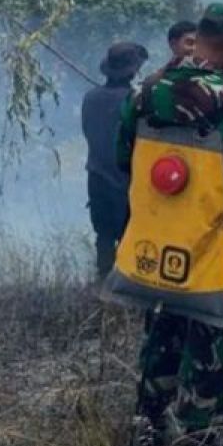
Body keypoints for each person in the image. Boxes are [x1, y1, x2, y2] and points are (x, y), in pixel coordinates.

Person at [112, 4, 223, 446]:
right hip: (215, 243)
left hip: (160, 240)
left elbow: (124, 156)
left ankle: (148, 426)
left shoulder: (146, 91)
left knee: (163, 324)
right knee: (212, 338)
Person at [81, 41, 148, 276]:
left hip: (97, 176)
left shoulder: (90, 98)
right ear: (132, 71)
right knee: (128, 234)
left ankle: (103, 280)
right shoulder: (136, 101)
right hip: (126, 178)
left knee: (104, 235)